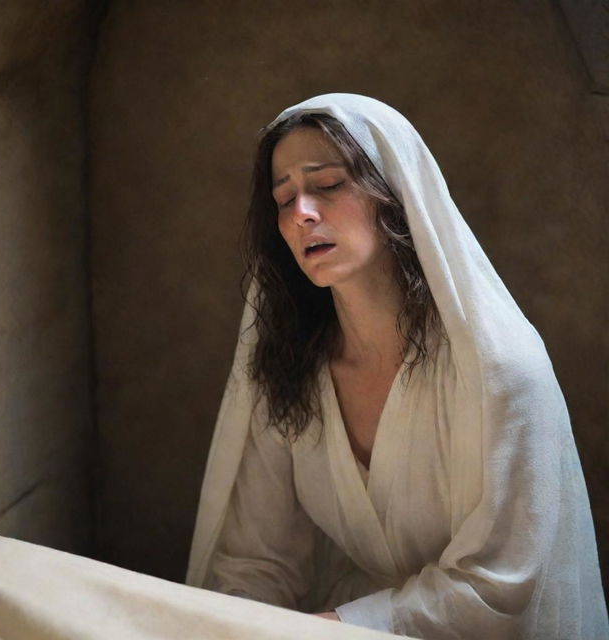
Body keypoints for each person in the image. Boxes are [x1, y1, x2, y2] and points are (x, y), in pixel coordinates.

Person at [186, 94, 608, 638]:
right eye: (283, 197)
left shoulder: (501, 369)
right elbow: (254, 562)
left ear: (396, 194)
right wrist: (240, 627)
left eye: (328, 185)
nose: (300, 213)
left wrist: (325, 630)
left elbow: (498, 584)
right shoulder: (287, 367)